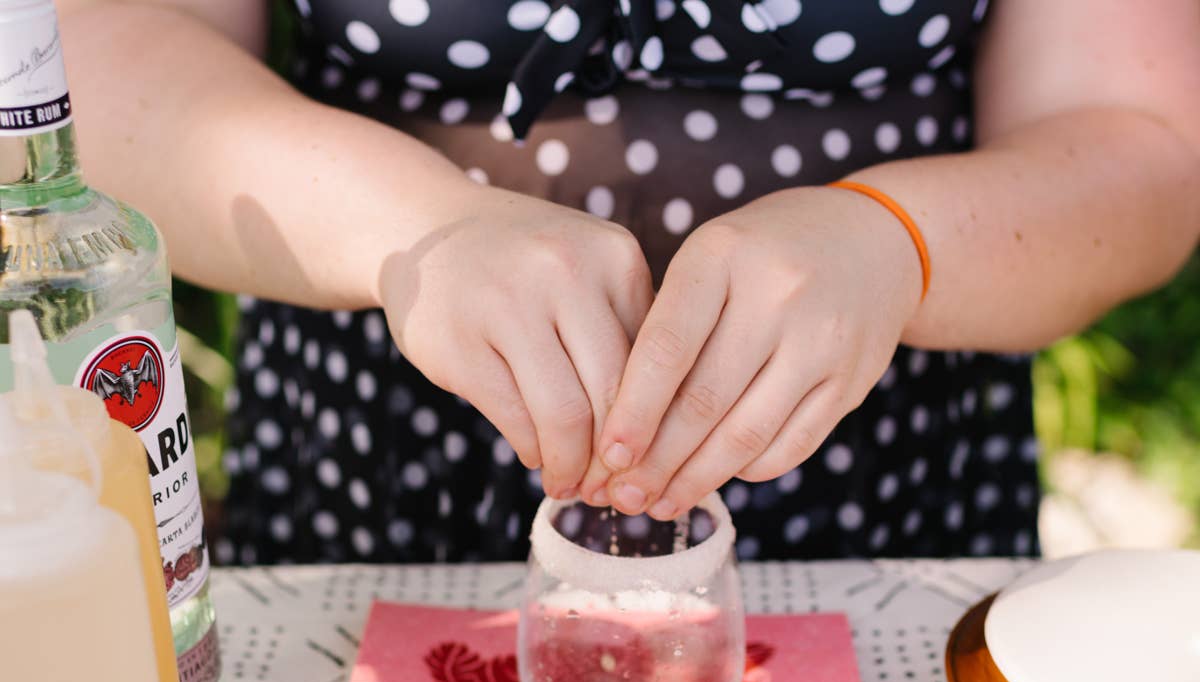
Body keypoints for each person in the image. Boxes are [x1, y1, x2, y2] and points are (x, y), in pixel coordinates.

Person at [59, 0, 1200, 564]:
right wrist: (415, 229)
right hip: (380, 464)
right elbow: (97, 64)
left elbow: (1140, 135)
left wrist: (896, 241)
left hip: (885, 469)